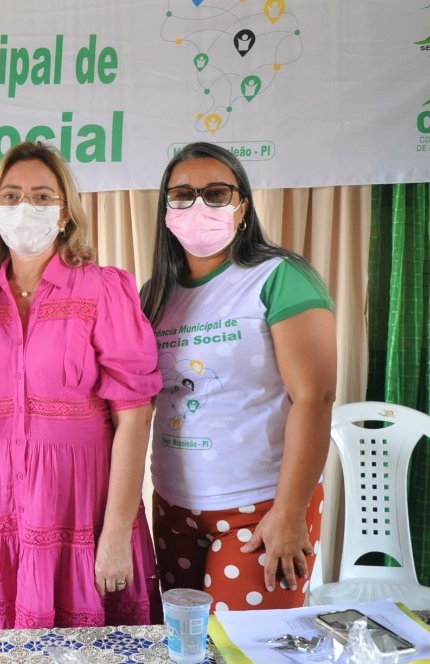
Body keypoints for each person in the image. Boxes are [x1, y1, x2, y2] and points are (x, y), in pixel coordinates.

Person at [0, 141, 163, 629]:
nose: (27, 208)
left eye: (43, 197)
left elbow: (135, 416)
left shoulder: (104, 289)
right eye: (12, 196)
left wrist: (115, 534)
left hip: (83, 505)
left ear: (66, 214)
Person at [142, 141, 336, 611]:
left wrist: (290, 513)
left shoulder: (279, 276)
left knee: (246, 652)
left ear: (243, 207)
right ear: (166, 209)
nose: (198, 205)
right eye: (183, 194)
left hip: (263, 509)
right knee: (186, 647)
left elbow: (316, 398)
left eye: (216, 193)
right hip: (173, 507)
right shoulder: (154, 295)